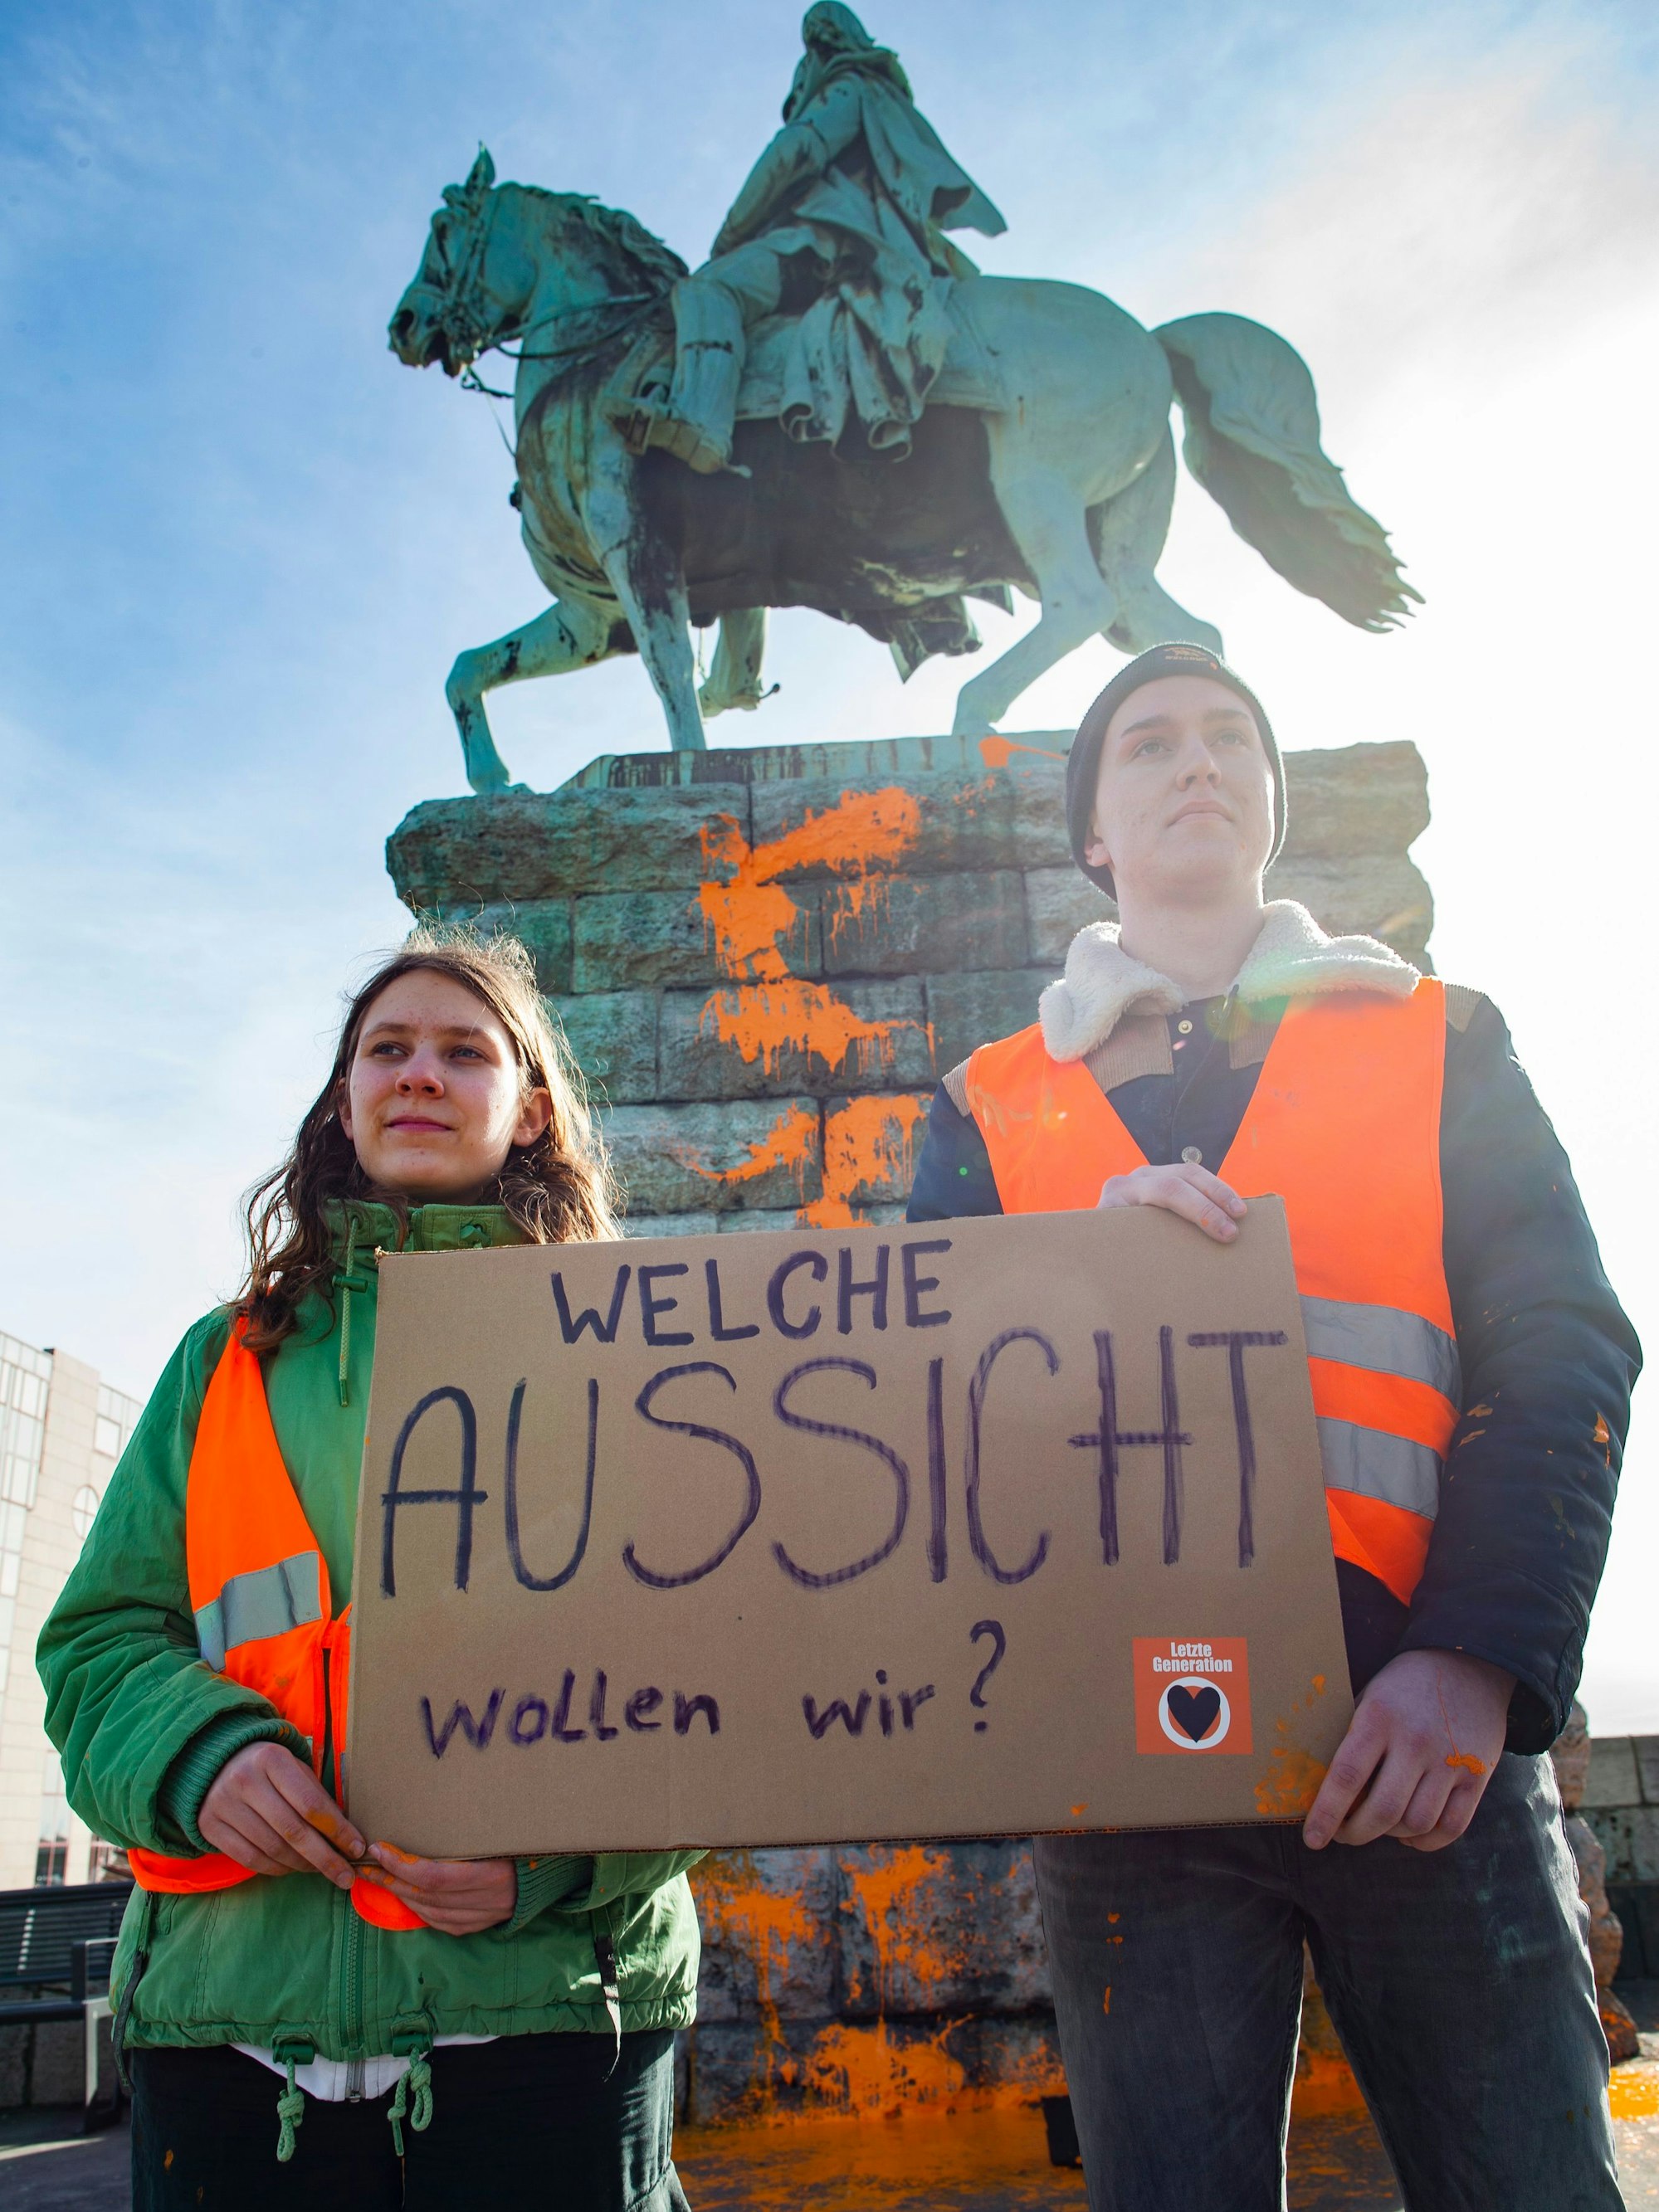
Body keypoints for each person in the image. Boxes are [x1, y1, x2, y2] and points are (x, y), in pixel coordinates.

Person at [906, 641, 1639, 2210]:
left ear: (1269, 802)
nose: (1194, 761)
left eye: (1227, 737)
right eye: (1148, 743)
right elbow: (924, 1413)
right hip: (1126, 1782)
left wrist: (1476, 1662)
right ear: (1092, 832)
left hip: (1421, 1746)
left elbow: (1559, 1344)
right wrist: (1060, 1272)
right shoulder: (983, 1103)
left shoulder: (1439, 1036)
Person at [38, 931, 702, 2212]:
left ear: (531, 1109)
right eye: (384, 1049)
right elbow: (97, 1646)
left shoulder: (638, 1359)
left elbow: (726, 1676)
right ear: (342, 1100)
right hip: (230, 2041)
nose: (418, 1074)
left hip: (554, 2028)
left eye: (464, 1050)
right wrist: (199, 1755)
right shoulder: (218, 1361)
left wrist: (555, 1861)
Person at [609, 2, 1005, 474]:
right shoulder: (876, 97)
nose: (797, 93)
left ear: (818, 53)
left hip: (820, 249)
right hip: (840, 246)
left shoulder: (844, 90)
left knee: (708, 288)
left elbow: (794, 152)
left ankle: (703, 425)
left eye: (799, 82)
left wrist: (730, 234)